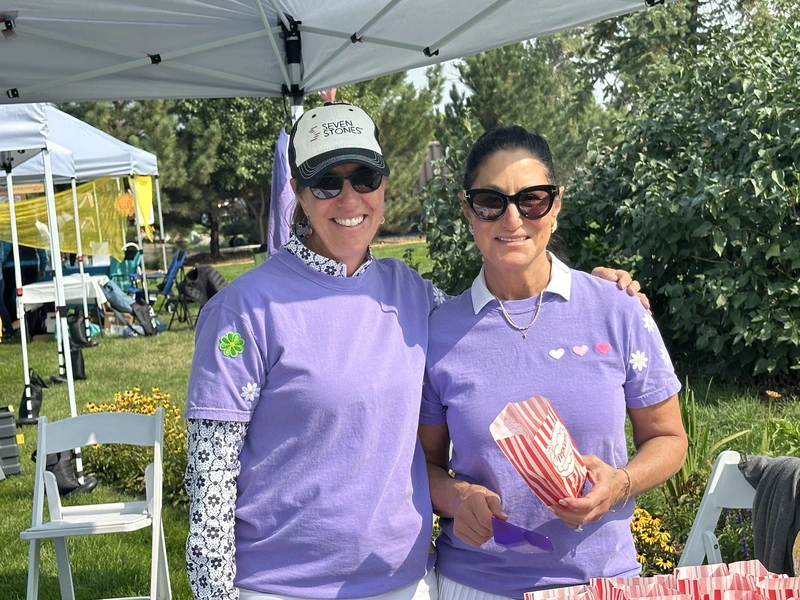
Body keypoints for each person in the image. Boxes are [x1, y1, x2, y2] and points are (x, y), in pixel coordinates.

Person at [183, 105, 646, 600]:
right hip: (281, 589)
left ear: (383, 185)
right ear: (297, 190)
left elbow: (496, 315)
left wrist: (595, 292)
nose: (348, 198)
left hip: (405, 583)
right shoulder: (243, 311)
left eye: (364, 177)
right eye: (325, 183)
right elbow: (209, 477)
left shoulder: (411, 295)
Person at [419, 126, 688, 600]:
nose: (512, 218)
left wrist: (621, 483)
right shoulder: (438, 332)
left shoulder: (617, 310)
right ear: (468, 211)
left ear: (556, 205)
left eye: (532, 199)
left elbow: (668, 439)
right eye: (490, 201)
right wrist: (457, 498)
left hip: (601, 582)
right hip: (475, 584)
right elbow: (423, 465)